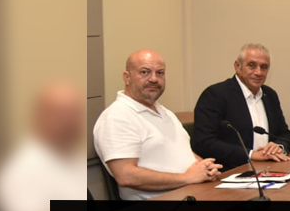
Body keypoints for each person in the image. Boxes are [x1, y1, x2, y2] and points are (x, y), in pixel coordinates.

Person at [93, 50, 222, 201]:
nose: (154, 79)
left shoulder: (165, 112)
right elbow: (126, 175)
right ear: (127, 77)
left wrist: (204, 167)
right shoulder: (117, 117)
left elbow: (180, 150)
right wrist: (187, 178)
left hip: (195, 194)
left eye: (160, 73)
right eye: (145, 72)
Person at [0, 83, 87, 211]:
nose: (70, 122)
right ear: (38, 117)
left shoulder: (70, 157)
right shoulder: (24, 168)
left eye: (74, 114)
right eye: (60, 114)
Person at [191, 43, 290, 172]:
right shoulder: (215, 95)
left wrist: (278, 147)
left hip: (269, 169)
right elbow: (203, 142)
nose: (258, 72)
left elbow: (285, 134)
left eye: (264, 67)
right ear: (237, 66)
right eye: (251, 65)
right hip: (230, 172)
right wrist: (251, 154)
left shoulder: (270, 95)